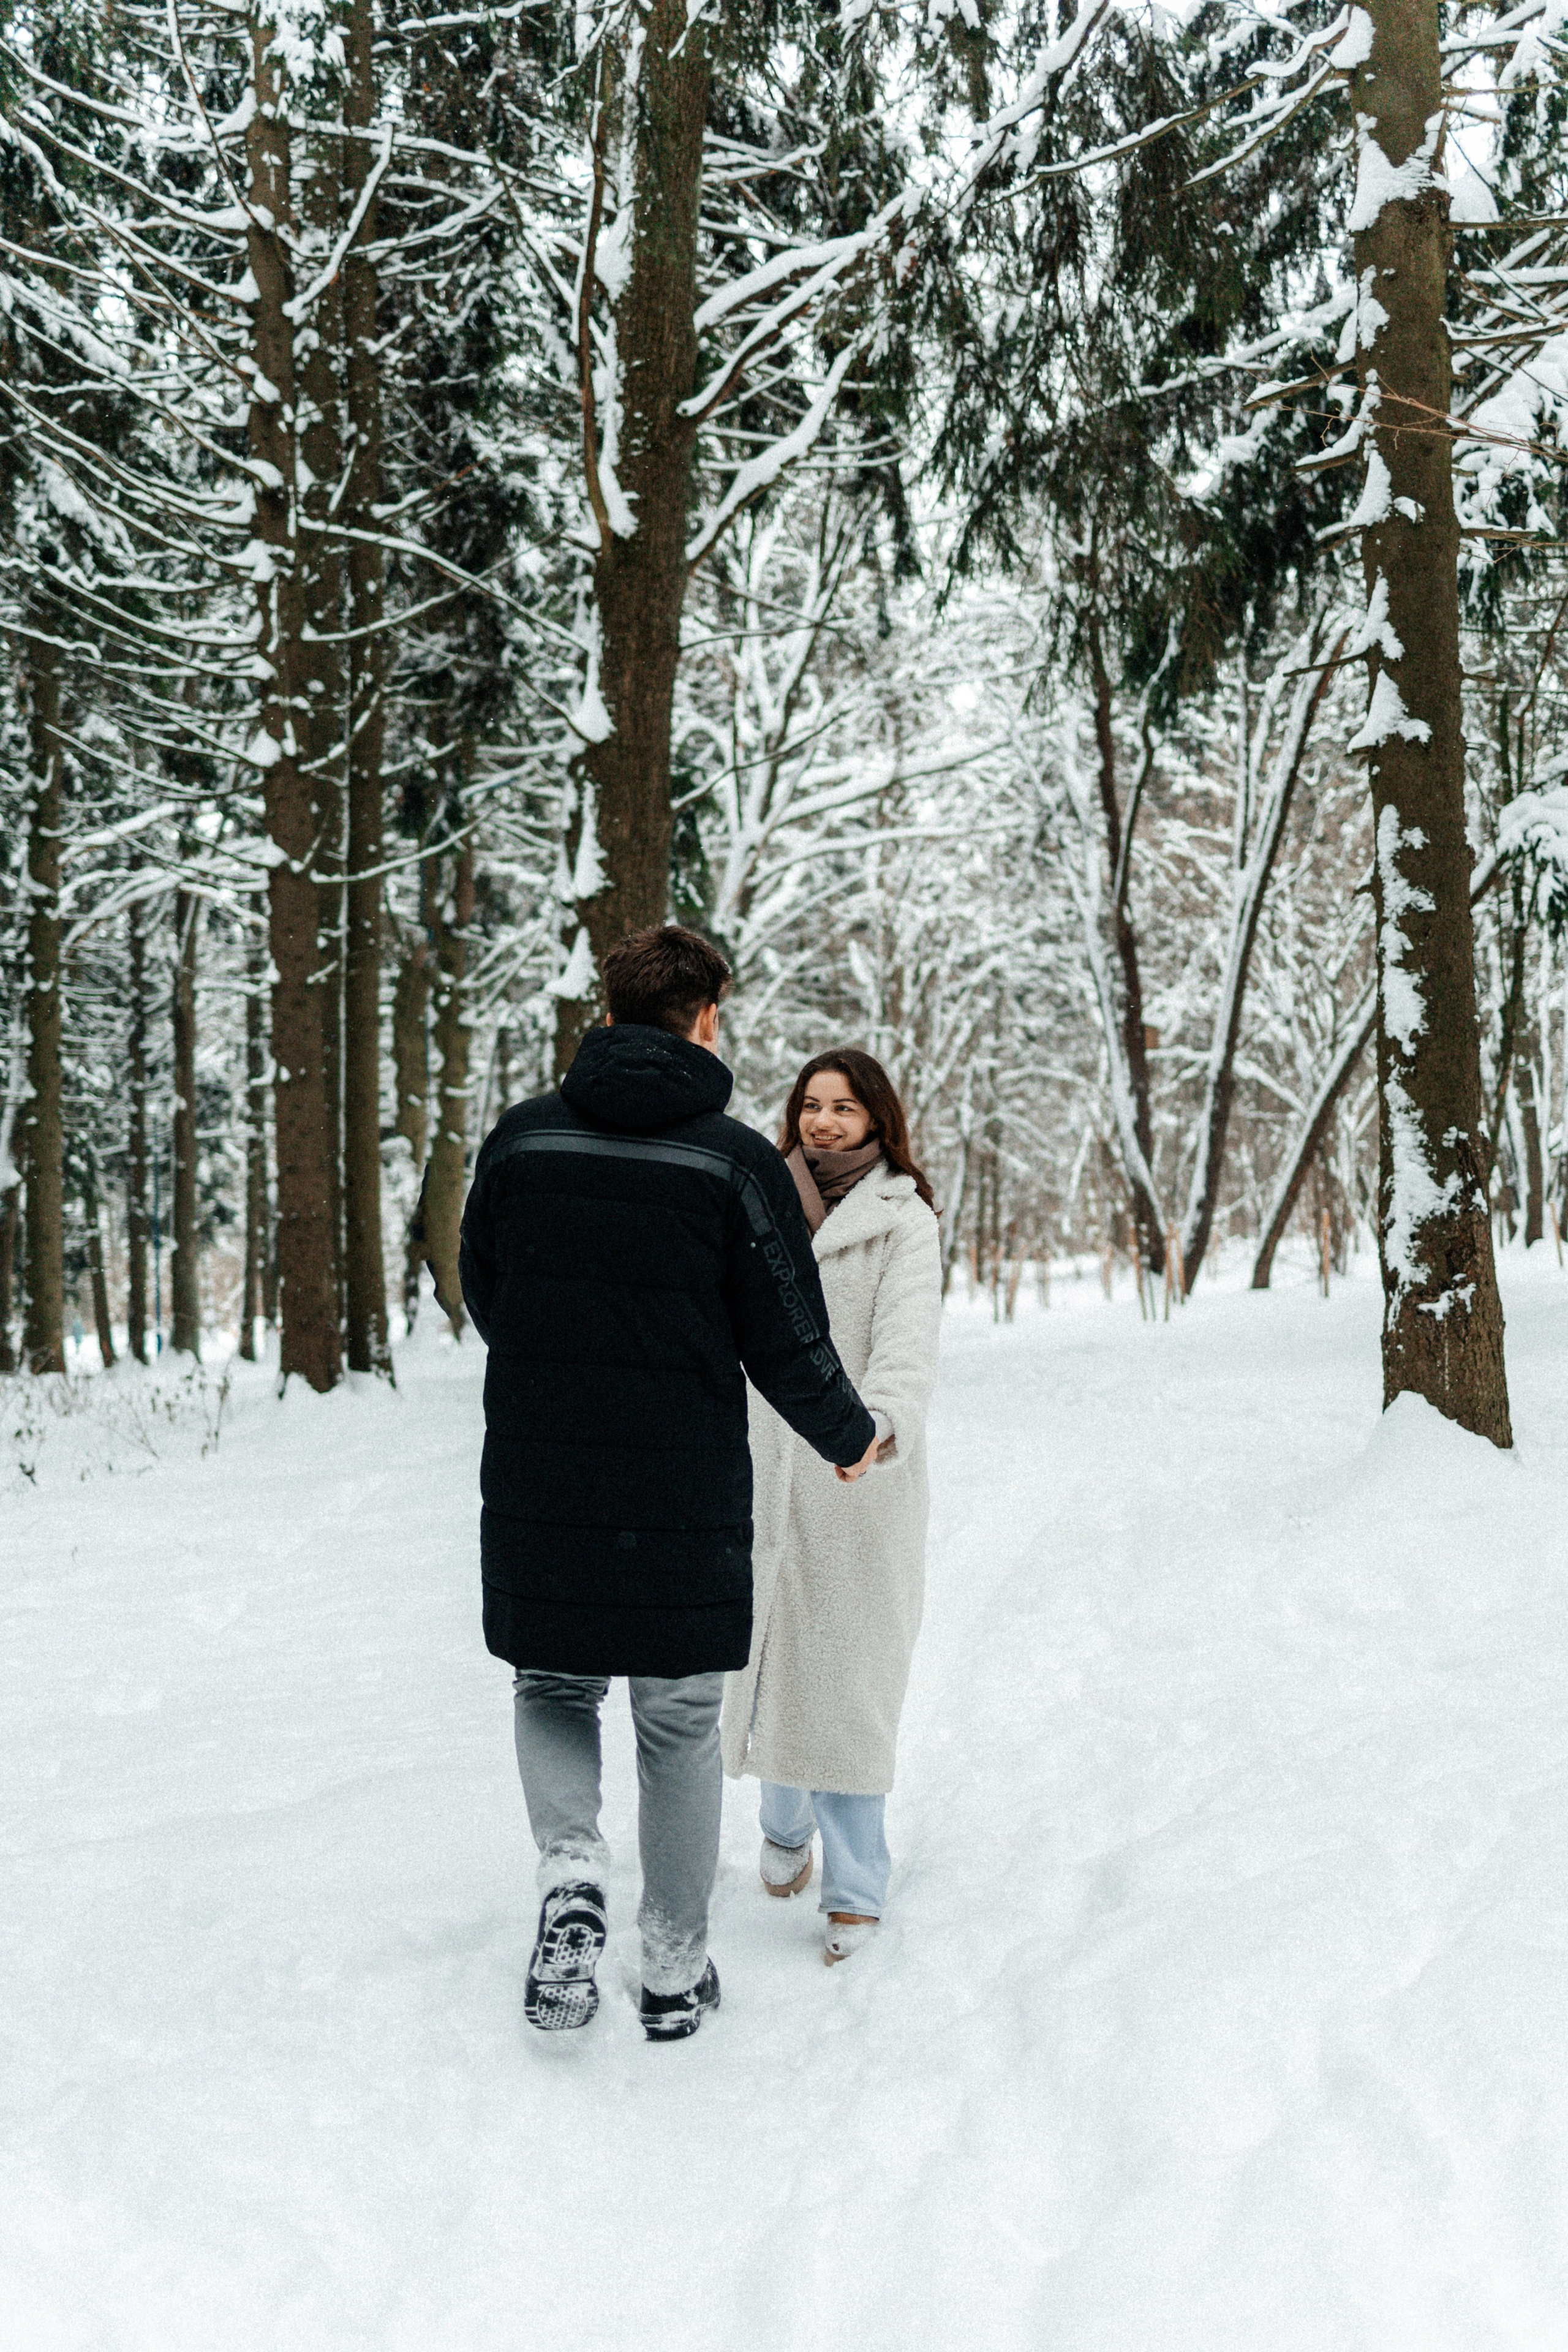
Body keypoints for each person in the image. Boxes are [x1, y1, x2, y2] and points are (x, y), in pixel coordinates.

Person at [458, 927, 880, 2042]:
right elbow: (788, 1335)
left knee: (554, 1683)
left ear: (606, 1012)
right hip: (682, 1484)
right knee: (681, 1719)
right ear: (706, 1019)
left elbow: (485, 1288)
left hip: (543, 1469)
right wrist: (849, 1436)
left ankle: (572, 1870)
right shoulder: (736, 1163)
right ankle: (674, 1969)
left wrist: (560, 1365)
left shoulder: (522, 1139)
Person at [721, 1050, 942, 1964]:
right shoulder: (754, 1197)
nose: (823, 1121)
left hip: (857, 1480)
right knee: (766, 1661)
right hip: (755, 1468)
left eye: (844, 1108)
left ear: (877, 1120)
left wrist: (879, 1427)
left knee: (846, 1684)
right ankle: (783, 1831)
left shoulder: (903, 1221)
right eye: (811, 1105)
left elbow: (906, 1344)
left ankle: (855, 1889)